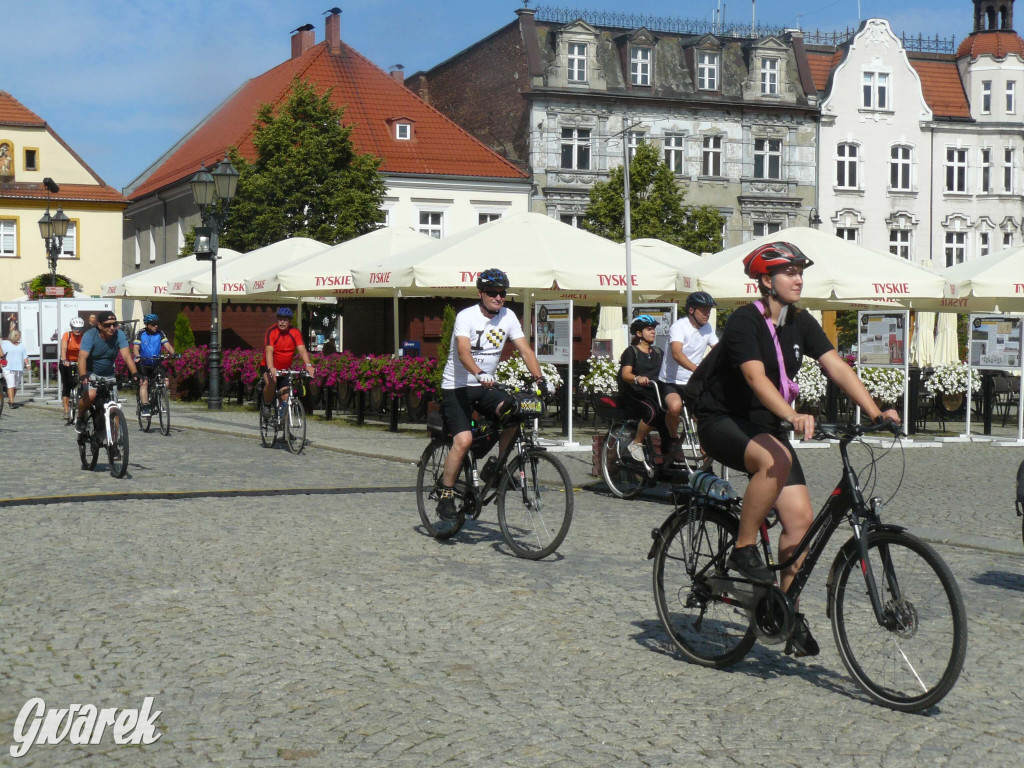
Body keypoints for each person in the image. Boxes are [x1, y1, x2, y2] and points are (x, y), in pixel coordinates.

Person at [694, 241, 900, 657]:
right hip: (722, 420)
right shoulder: (743, 322)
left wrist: (877, 412)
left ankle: (785, 613)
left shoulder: (799, 321)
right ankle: (743, 547)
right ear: (766, 281)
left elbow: (836, 365)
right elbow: (754, 377)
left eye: (800, 271)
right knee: (775, 458)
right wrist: (791, 415)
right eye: (789, 272)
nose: (798, 279)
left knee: (800, 520)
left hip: (765, 425)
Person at [436, 268, 553, 520]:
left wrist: (541, 379)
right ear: (481, 293)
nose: (498, 298)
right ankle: (445, 493)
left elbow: (525, 351)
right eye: (492, 293)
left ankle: (497, 468)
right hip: (457, 386)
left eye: (502, 293)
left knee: (514, 413)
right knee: (464, 440)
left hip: (485, 386)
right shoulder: (466, 317)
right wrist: (478, 372)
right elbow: (463, 352)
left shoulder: (508, 316)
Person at [658, 291, 718, 463]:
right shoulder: (679, 326)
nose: (707, 313)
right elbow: (677, 353)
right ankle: (673, 440)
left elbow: (718, 350)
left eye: (709, 310)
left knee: (704, 417)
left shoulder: (707, 328)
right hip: (671, 381)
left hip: (693, 381)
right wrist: (696, 368)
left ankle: (707, 466)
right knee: (675, 407)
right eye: (704, 310)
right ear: (691, 310)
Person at [618, 314, 673, 468]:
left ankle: (668, 454)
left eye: (654, 329)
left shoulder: (657, 351)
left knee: (668, 415)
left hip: (655, 392)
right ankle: (636, 443)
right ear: (639, 333)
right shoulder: (631, 352)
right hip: (636, 393)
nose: (653, 332)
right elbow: (626, 374)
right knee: (652, 412)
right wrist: (637, 378)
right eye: (649, 329)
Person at [76, 311, 140, 433]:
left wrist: (135, 373)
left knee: (113, 406)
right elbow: (82, 357)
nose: (111, 328)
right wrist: (83, 375)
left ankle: (115, 440)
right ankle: (80, 418)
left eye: (114, 324)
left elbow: (127, 356)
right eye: (107, 325)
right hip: (91, 373)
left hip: (109, 375)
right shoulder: (90, 335)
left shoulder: (119, 335)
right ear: (99, 325)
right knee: (91, 395)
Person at [261, 307, 315, 418]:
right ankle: (266, 405)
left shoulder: (294, 332)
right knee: (272, 381)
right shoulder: (272, 331)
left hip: (285, 369)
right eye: (280, 319)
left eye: (285, 320)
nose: (282, 322)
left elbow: (301, 349)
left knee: (286, 398)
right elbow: (269, 350)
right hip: (268, 366)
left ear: (289, 321)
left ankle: (286, 431)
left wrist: (308, 365)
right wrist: (271, 367)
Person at [133, 313, 176, 416]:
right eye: (153, 324)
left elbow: (167, 345)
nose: (156, 326)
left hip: (156, 362)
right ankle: (145, 407)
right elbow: (136, 348)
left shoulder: (160, 333)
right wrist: (138, 356)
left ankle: (158, 399)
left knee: (165, 381)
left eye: (157, 323)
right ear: (147, 325)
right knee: (144, 383)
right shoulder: (141, 333)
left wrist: (173, 353)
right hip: (144, 363)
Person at [59, 317, 87, 420]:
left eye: (80, 328)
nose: (77, 330)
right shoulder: (67, 335)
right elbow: (63, 348)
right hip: (67, 361)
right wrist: (64, 360)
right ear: (71, 328)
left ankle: (83, 402)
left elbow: (87, 349)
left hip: (80, 360)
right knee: (67, 385)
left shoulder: (84, 337)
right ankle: (66, 410)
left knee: (84, 382)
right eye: (75, 328)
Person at [1, 330, 27, 408]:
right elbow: (1, 354)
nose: (20, 336)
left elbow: (25, 356)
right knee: (11, 384)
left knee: (15, 386)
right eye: (19, 335)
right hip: (8, 368)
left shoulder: (21, 345)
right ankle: (12, 403)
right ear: (15, 336)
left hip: (19, 368)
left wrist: (28, 364)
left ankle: (10, 400)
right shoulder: (5, 344)